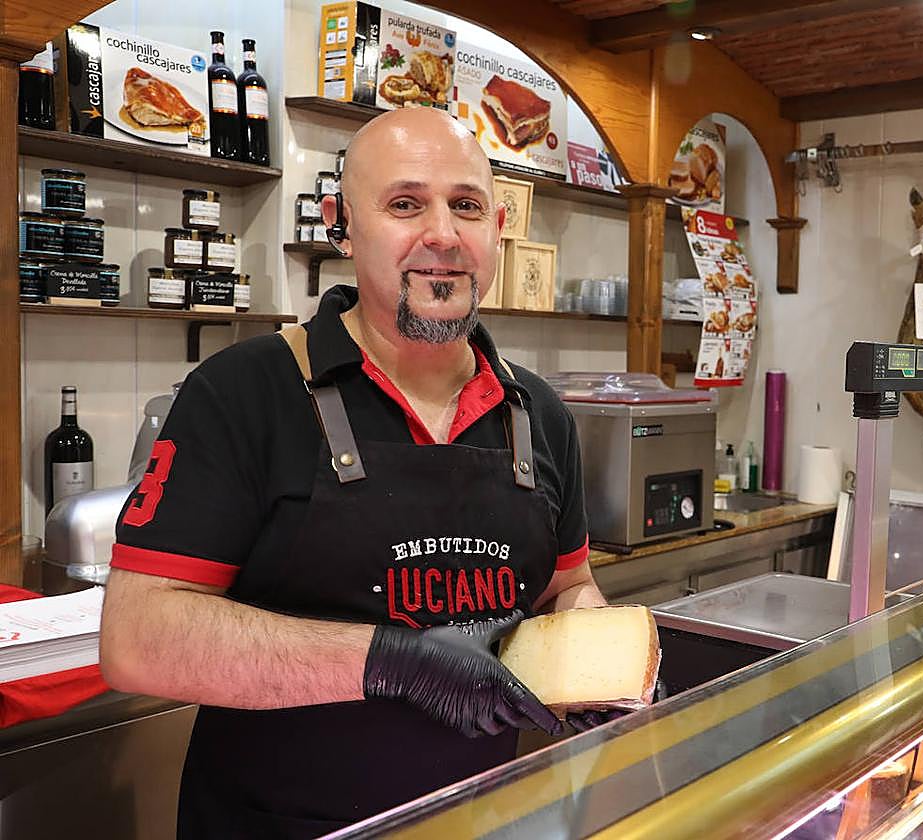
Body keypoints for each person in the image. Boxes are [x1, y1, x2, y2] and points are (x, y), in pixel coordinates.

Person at [99, 107, 611, 838]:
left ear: (497, 228)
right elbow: (138, 638)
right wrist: (391, 661)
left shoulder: (542, 416)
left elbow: (571, 584)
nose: (442, 233)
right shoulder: (244, 393)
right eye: (405, 204)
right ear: (342, 225)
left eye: (465, 206)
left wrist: (594, 660)